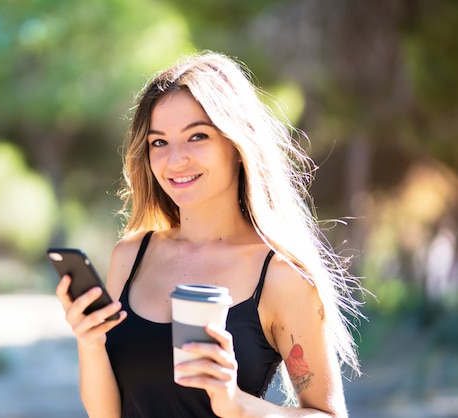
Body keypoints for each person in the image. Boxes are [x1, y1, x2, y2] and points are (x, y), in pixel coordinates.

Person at [56, 51, 363, 417]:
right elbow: (107, 413)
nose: (175, 160)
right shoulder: (130, 257)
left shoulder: (281, 277)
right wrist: (89, 344)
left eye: (197, 136)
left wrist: (234, 403)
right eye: (159, 142)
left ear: (237, 144)